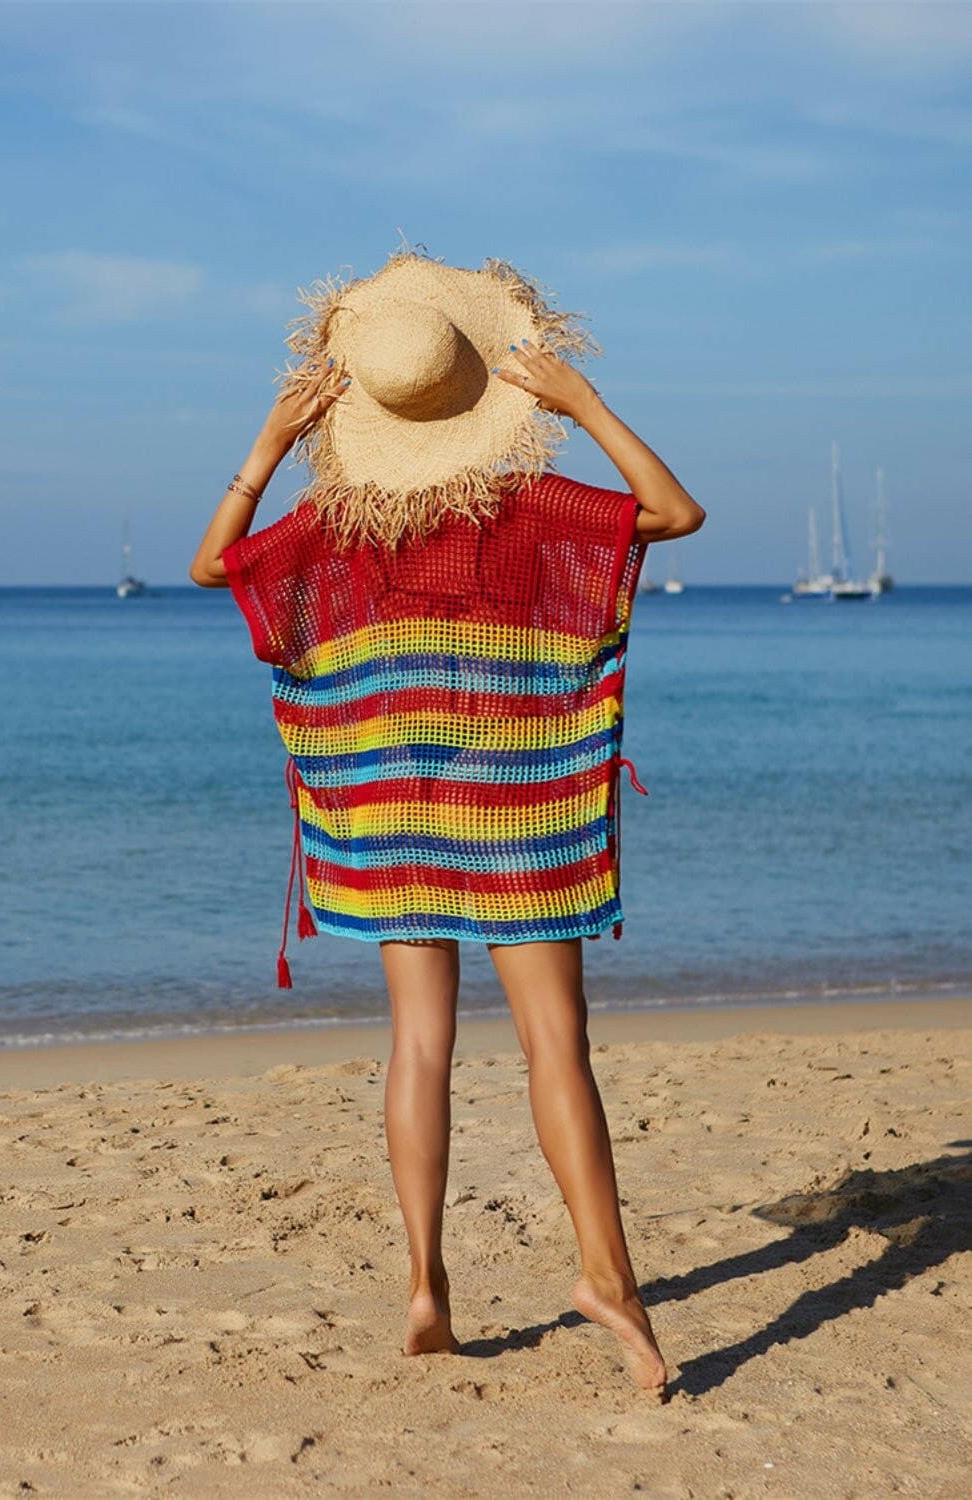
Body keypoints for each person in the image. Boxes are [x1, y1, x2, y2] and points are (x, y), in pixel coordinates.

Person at [190, 249, 705, 1401]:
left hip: (390, 823)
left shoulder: (336, 522)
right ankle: (607, 1278)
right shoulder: (534, 506)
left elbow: (215, 563)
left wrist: (271, 445)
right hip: (523, 819)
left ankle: (425, 1285)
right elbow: (675, 512)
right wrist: (583, 404)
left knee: (418, 1045)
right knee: (553, 1048)